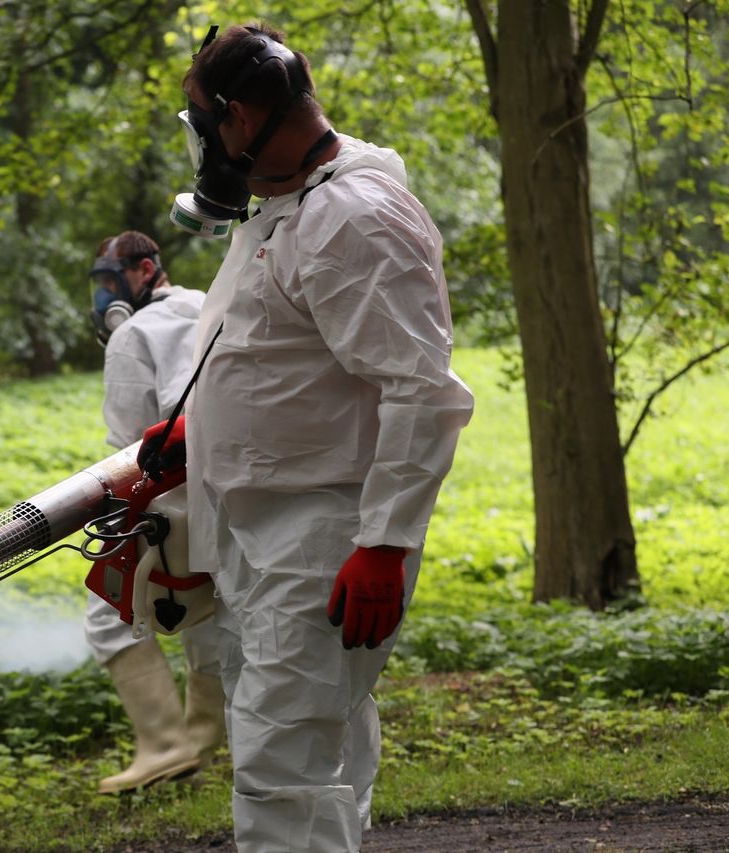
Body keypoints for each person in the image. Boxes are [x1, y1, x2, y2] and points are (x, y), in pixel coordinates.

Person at [140, 23, 475, 852]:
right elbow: (282, 350)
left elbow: (419, 388)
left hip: (325, 534)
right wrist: (197, 426)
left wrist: (386, 542)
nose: (205, 146)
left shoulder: (351, 217)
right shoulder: (289, 205)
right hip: (265, 530)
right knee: (322, 746)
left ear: (244, 115)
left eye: (205, 122)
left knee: (280, 761)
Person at [83, 230, 227, 795]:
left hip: (172, 501)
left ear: (145, 272)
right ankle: (208, 741)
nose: (102, 298)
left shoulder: (131, 336)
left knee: (107, 613)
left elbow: (125, 451)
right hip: (237, 491)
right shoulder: (207, 303)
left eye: (109, 283)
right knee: (211, 612)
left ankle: (166, 747)